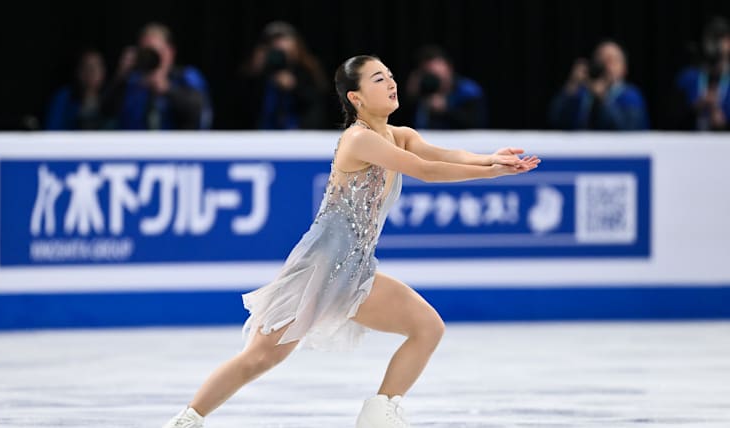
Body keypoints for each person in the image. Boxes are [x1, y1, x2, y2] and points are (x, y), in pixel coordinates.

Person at [161, 55, 540, 428]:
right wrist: (490, 173)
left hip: (355, 271)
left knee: (427, 327)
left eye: (390, 75)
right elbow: (426, 170)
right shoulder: (359, 139)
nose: (391, 82)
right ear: (355, 97)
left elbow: (442, 154)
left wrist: (489, 158)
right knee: (259, 358)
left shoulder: (400, 136)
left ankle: (380, 411)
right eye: (378, 79)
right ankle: (186, 421)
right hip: (320, 267)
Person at [105, 22, 212, 130]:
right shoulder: (131, 81)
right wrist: (121, 76)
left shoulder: (185, 77)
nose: (150, 58)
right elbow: (105, 111)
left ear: (170, 52)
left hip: (174, 145)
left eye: (155, 52)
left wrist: (166, 89)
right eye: (145, 52)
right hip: (135, 145)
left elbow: (201, 111)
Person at [238, 21, 328, 129]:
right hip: (261, 134)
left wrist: (295, 87)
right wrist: (254, 71)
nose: (278, 45)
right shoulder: (258, 73)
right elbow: (241, 105)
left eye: (283, 39)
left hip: (298, 134)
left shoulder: (307, 70)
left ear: (295, 43)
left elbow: (317, 104)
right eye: (273, 41)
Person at [549, 40, 649, 130]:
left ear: (624, 69)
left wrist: (602, 99)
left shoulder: (631, 96)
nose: (605, 65)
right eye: (600, 59)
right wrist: (572, 86)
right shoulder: (581, 93)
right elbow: (555, 120)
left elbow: (629, 129)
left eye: (611, 60)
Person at [403, 45, 488, 129]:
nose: (434, 78)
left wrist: (445, 109)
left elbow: (476, 123)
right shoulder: (421, 91)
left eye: (437, 72)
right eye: (429, 73)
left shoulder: (468, 90)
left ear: (449, 68)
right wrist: (411, 96)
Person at [670, 16, 730, 131]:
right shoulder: (688, 78)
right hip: (691, 143)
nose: (718, 45)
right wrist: (696, 107)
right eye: (713, 39)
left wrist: (723, 124)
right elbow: (669, 122)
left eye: (723, 39)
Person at [45, 49, 112, 130]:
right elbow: (52, 130)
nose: (92, 72)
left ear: (104, 71)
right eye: (87, 67)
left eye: (96, 66)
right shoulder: (64, 98)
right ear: (78, 72)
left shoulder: (113, 97)